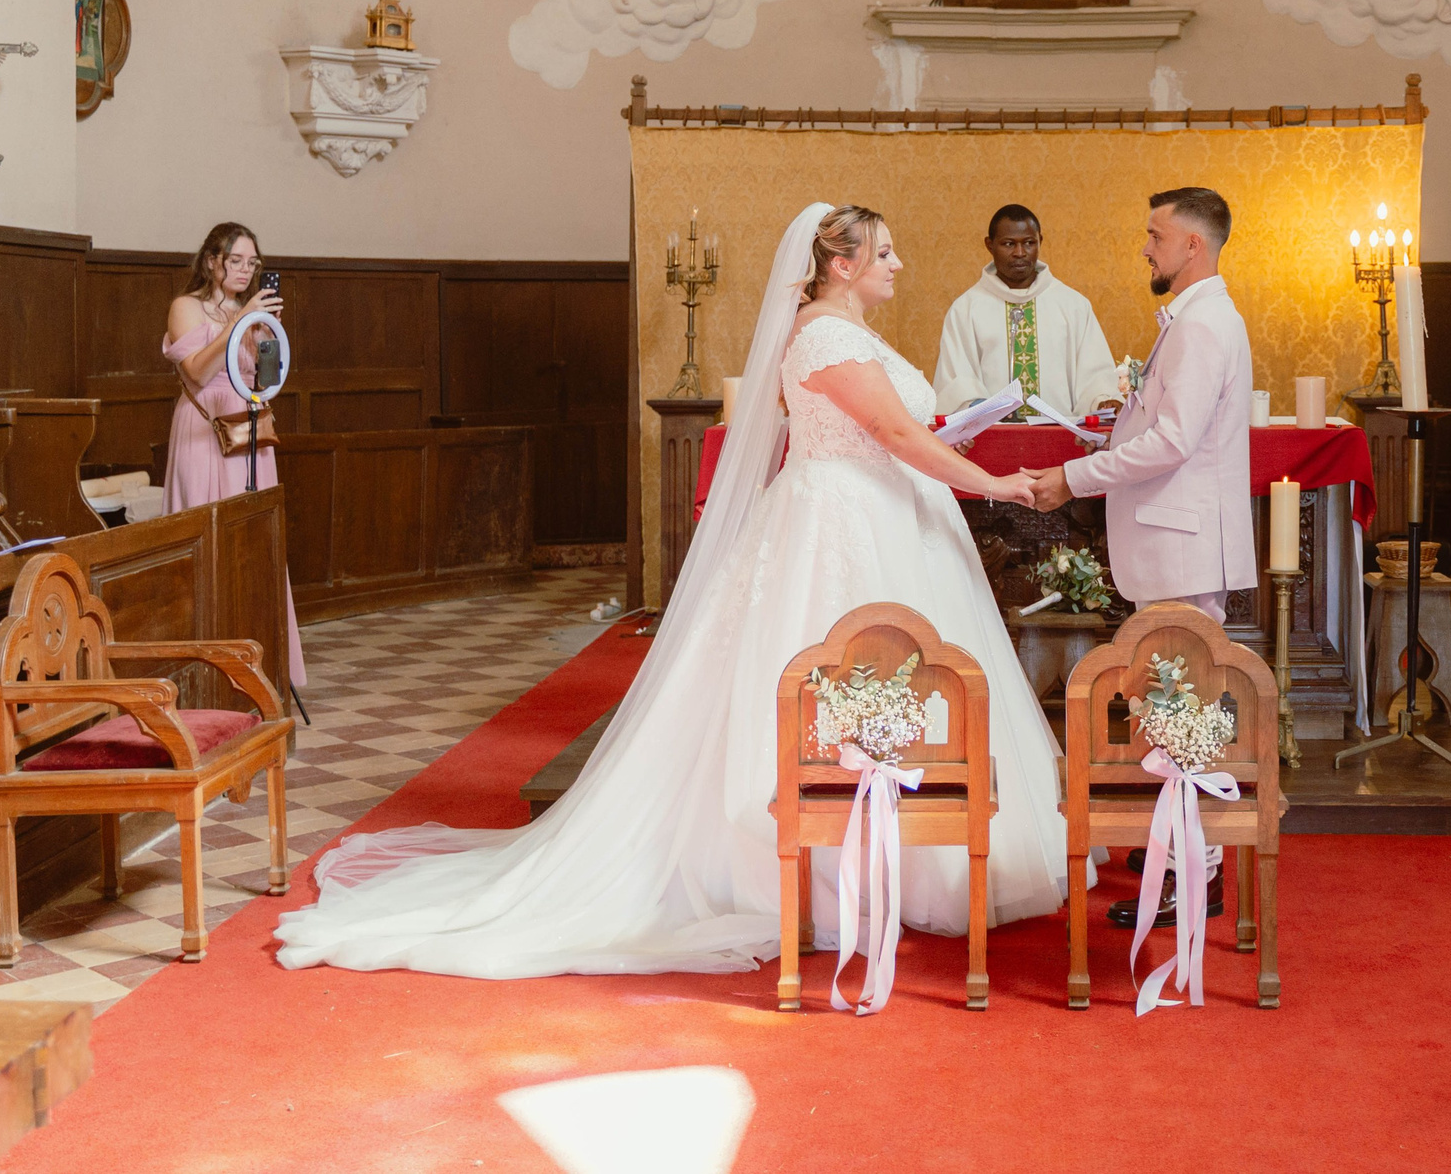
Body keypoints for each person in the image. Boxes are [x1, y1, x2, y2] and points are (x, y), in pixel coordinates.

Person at [273, 203, 1072, 979]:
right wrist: (995, 483)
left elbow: (895, 430)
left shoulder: (848, 330)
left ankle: (901, 858)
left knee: (890, 684)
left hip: (882, 513)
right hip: (841, 523)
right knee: (837, 679)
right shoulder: (826, 334)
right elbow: (893, 434)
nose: (898, 263)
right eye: (884, 252)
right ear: (841, 263)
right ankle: (827, 871)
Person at [1028, 188, 1255, 618]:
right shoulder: (1203, 316)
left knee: (1178, 663)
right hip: (1180, 554)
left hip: (1181, 555)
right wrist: (1112, 441)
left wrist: (1073, 478)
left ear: (1193, 245)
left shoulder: (1201, 324)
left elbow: (1173, 442)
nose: (1145, 250)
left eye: (1156, 237)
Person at [163, 222, 303, 687]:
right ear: (211, 261)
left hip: (249, 430)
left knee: (254, 544)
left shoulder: (254, 312)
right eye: (235, 260)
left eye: (252, 262)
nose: (245, 270)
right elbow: (197, 373)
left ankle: (261, 664)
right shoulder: (186, 306)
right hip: (204, 429)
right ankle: (206, 669)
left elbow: (268, 381)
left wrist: (267, 335)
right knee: (207, 536)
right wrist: (237, 323)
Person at [932, 204, 1119, 417]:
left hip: (1060, 433)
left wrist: (1101, 401)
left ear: (1040, 241)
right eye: (1009, 244)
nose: (1019, 253)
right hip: (993, 433)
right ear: (989, 245)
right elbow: (957, 382)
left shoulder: (1073, 305)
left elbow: (1095, 378)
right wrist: (982, 409)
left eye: (1029, 243)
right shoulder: (966, 309)